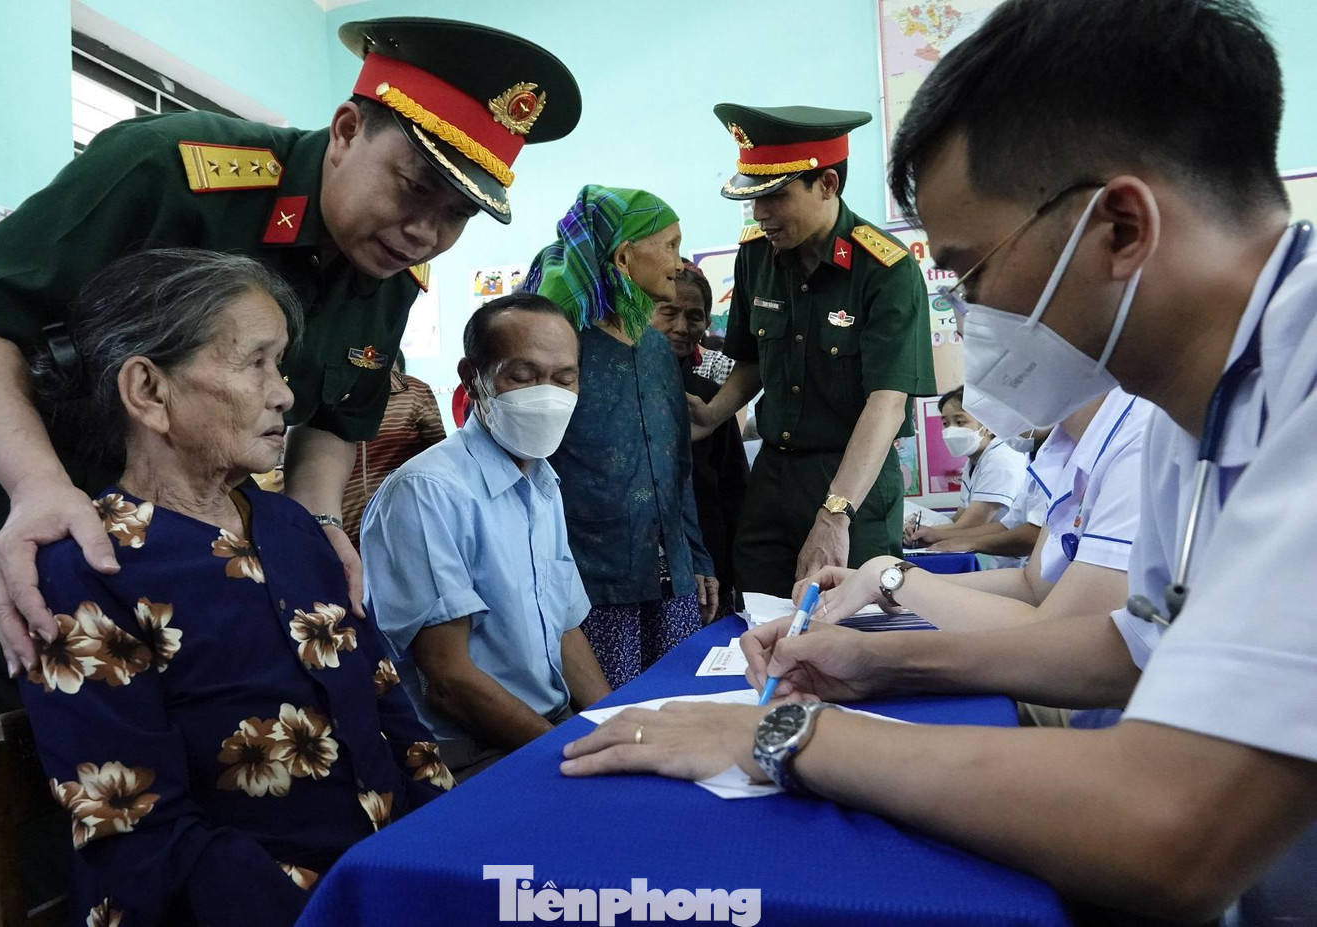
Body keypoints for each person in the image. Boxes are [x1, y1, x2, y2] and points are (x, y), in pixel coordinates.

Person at [558, 1, 1317, 921]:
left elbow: (1174, 823)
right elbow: (1130, 648)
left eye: (971, 271)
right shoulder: (1188, 413)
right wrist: (884, 667)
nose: (969, 314)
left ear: (1120, 227)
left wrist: (784, 731)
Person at [0, 17, 582, 727]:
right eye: (413, 187)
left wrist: (314, 523)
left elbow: (336, 417)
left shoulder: (388, 266)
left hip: (200, 535)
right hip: (54, 504)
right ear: (345, 132)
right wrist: (37, 485)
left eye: (457, 216)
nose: (426, 231)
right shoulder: (169, 169)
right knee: (62, 753)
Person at [18, 249, 451, 927]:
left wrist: (448, 849)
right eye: (257, 363)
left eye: (280, 366)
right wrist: (346, 906)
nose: (284, 393)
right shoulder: (88, 569)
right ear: (150, 392)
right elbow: (140, 836)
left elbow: (391, 708)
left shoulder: (294, 528)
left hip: (388, 882)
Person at [688, 105, 937, 597]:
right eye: (754, 199)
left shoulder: (884, 270)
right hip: (772, 477)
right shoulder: (757, 256)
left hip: (850, 483)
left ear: (826, 184)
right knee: (755, 620)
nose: (760, 214)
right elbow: (753, 360)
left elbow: (887, 404)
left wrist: (835, 515)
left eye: (775, 197)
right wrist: (712, 413)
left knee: (852, 629)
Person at [363, 294, 612, 780]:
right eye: (522, 376)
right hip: (467, 751)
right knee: (516, 861)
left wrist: (612, 723)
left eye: (564, 379)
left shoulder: (542, 483)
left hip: (543, 728)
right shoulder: (428, 493)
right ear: (471, 376)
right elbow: (449, 682)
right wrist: (569, 751)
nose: (547, 395)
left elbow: (563, 627)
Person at [803, 386, 1150, 728]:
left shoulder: (1137, 440)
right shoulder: (1073, 445)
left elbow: (1069, 649)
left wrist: (893, 579)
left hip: (1114, 726)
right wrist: (886, 580)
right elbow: (1033, 583)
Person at [523, 185, 717, 687]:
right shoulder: (564, 349)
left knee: (681, 704)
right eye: (670, 246)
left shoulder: (657, 349)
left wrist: (693, 556)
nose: (679, 262)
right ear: (625, 256)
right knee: (613, 714)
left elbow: (678, 465)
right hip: (591, 585)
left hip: (670, 580)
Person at [650, 262, 750, 619]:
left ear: (707, 324)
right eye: (668, 312)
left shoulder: (711, 400)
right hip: (644, 576)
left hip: (712, 572)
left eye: (694, 316)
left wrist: (738, 581)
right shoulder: (620, 396)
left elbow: (734, 490)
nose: (681, 327)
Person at [341, 351, 446, 551]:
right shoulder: (325, 393)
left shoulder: (414, 392)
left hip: (405, 535)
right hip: (343, 535)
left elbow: (440, 460)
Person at [906, 386, 1026, 543]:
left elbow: (971, 525)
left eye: (960, 422)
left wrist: (922, 533)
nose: (950, 430)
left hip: (1008, 558)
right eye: (945, 423)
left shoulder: (1001, 460)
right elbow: (959, 520)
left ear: (988, 425)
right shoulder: (974, 462)